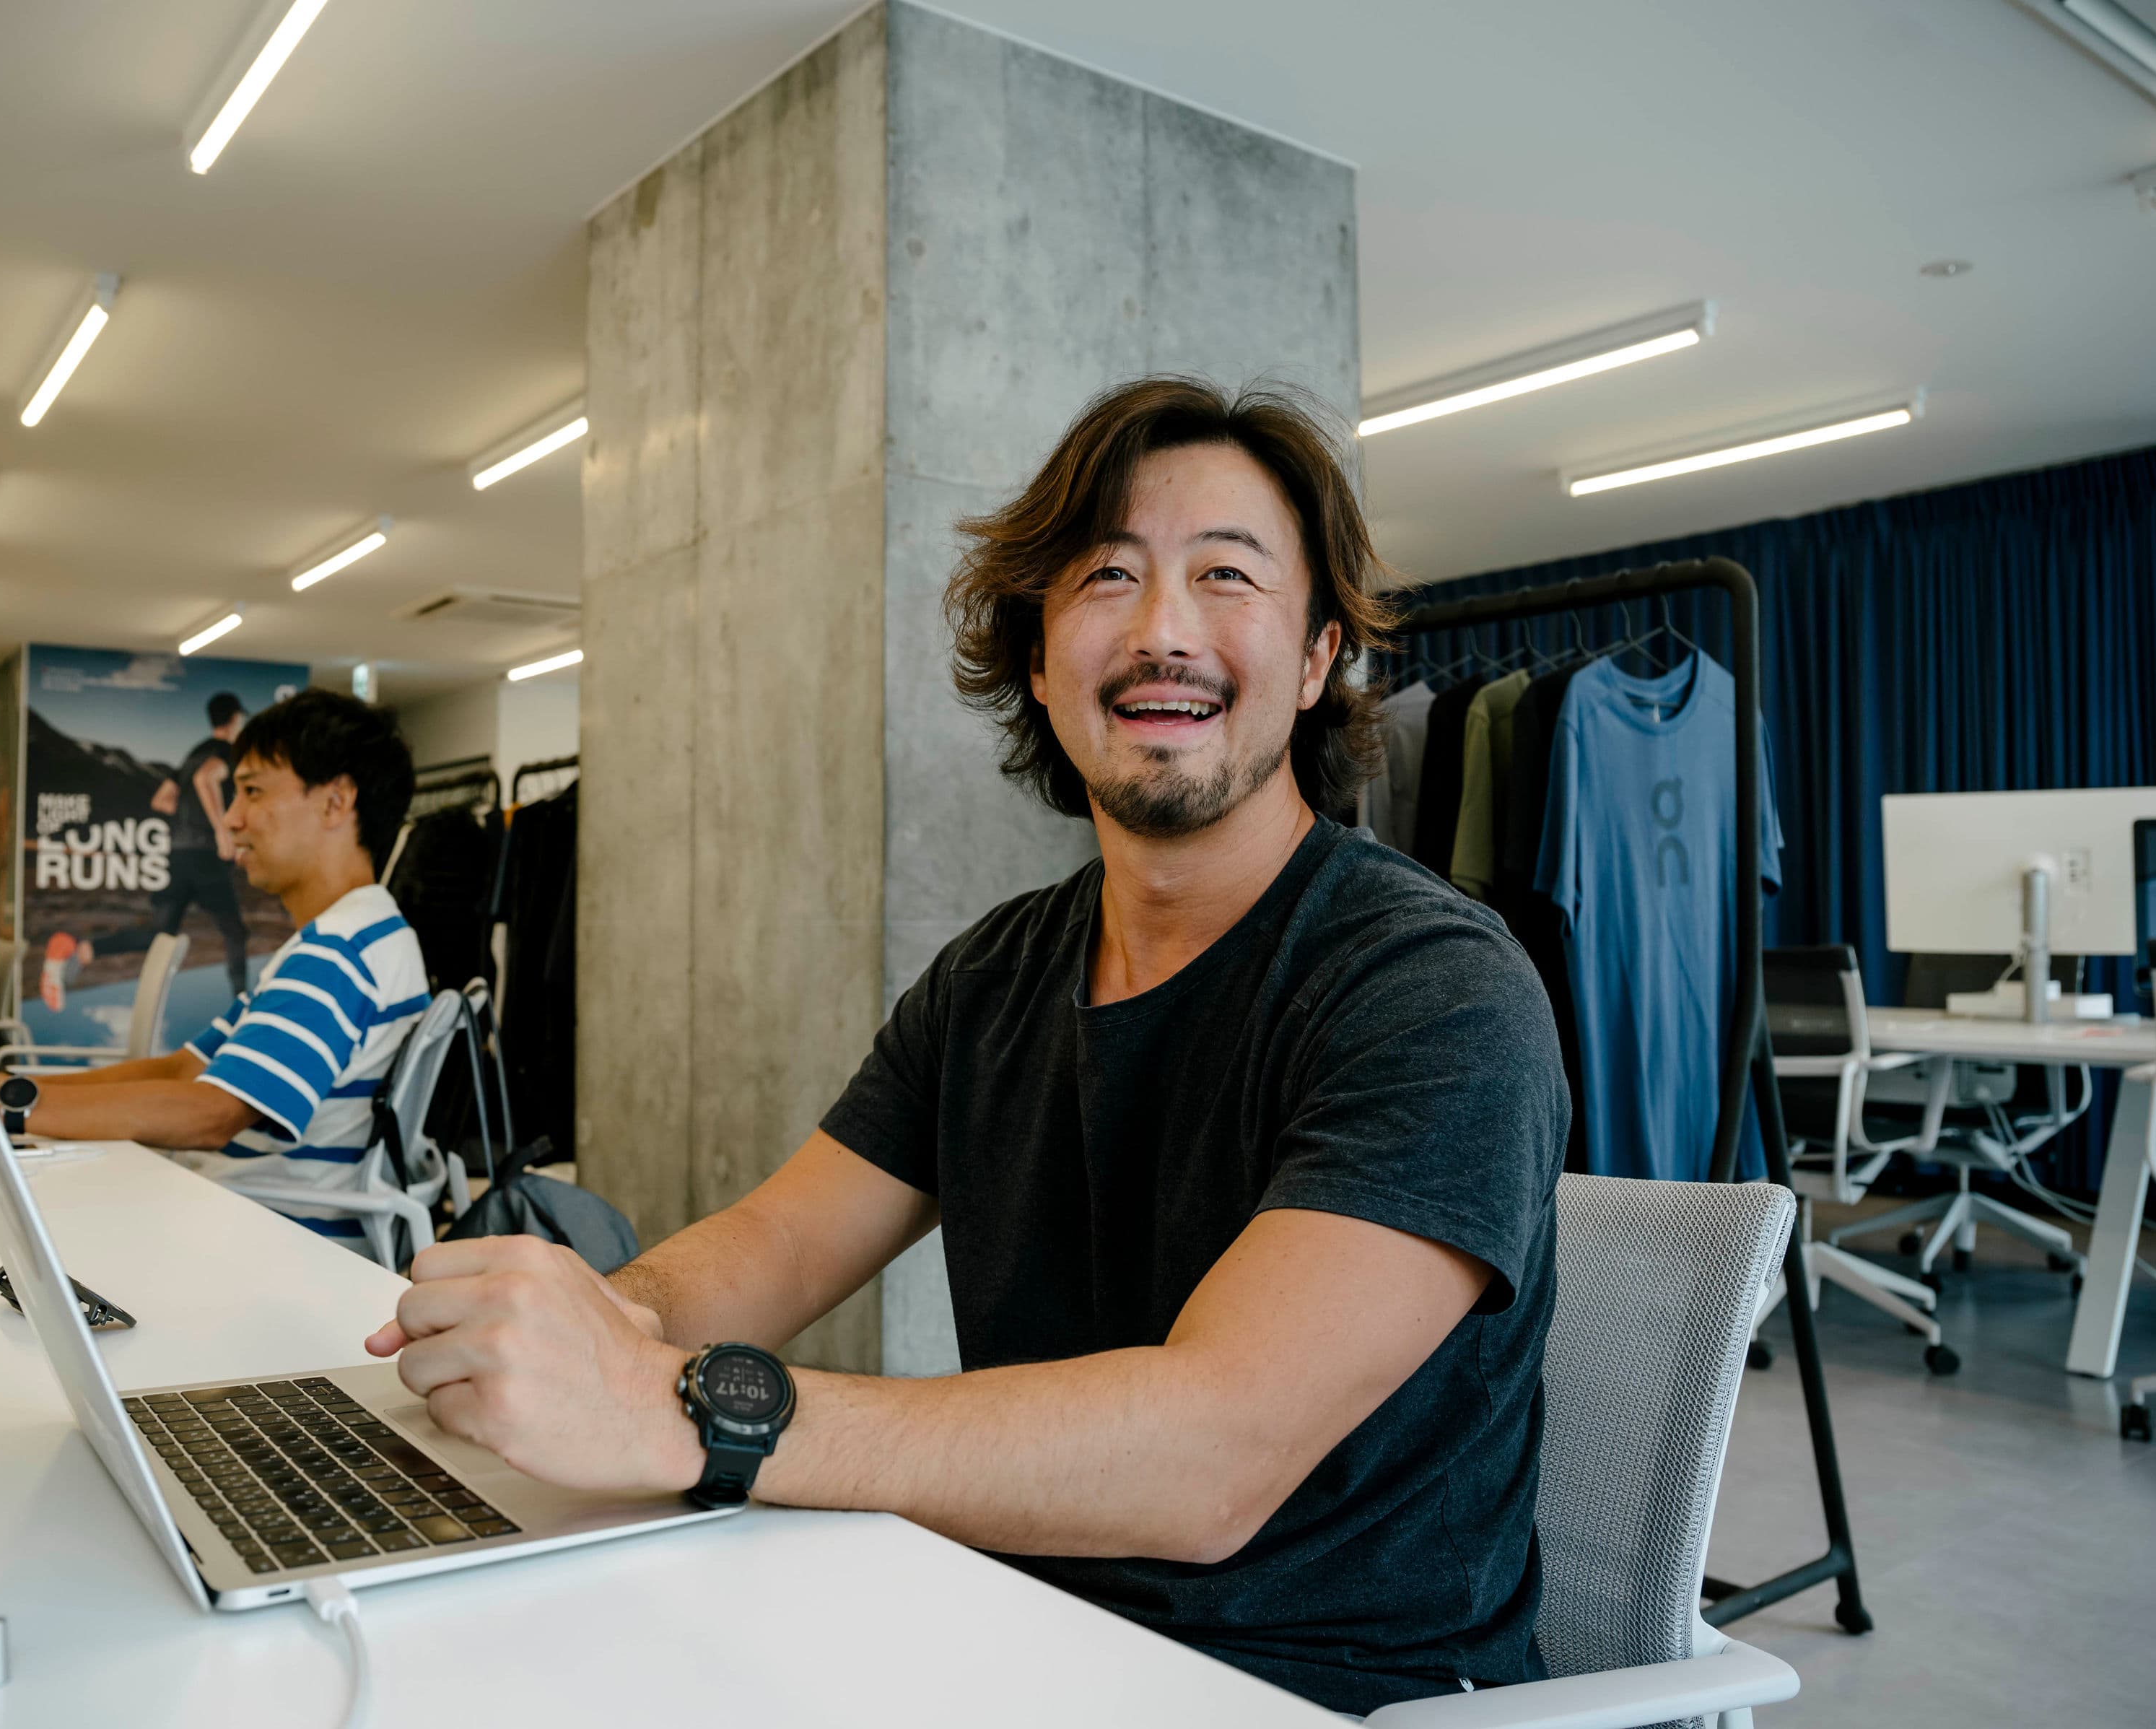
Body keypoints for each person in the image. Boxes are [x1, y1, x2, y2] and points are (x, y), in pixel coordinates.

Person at [360, 378, 1568, 1715]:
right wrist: (598, 1324)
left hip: (1321, 1691)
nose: (1165, 629)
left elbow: (1211, 1458)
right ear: (1042, 660)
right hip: (1005, 1622)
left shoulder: (1433, 989)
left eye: (1228, 576)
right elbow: (777, 1243)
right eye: (1107, 575)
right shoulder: (997, 975)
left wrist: (680, 1406)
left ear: (1320, 658)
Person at [0, 691, 431, 1251]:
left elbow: (212, 1114)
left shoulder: (338, 953)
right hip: (235, 1220)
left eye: (251, 791)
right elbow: (183, 1069)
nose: (231, 818)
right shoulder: (352, 936)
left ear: (336, 801)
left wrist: (4, 1108)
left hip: (259, 1242)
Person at [39, 689, 251, 1011]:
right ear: (235, 719)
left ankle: (81, 951)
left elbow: (162, 800)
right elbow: (207, 779)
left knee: (160, 934)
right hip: (206, 858)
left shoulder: (192, 754)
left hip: (179, 856)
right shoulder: (225, 751)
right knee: (236, 933)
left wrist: (188, 819)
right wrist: (221, 831)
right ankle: (243, 1008)